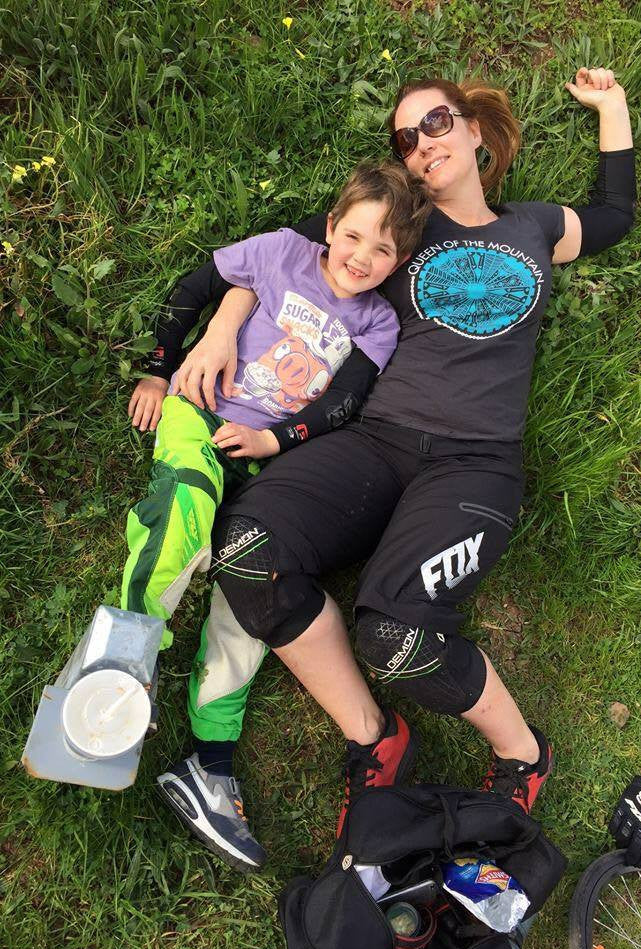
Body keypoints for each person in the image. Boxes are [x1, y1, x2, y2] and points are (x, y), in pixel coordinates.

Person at [160, 66, 636, 871]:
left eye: (437, 123)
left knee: (399, 637)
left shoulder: (533, 225)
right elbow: (280, 259)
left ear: (475, 131)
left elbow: (616, 214)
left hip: (474, 465)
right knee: (245, 548)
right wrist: (218, 330)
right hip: (376, 440)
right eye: (406, 138)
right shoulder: (400, 225)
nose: (423, 144)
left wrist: (612, 107)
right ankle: (375, 737)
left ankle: (524, 753)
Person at [120, 162, 431, 869]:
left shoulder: (378, 321)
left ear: (400, 260)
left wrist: (276, 441)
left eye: (383, 250)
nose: (362, 258)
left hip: (266, 460)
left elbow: (343, 402)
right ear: (330, 226)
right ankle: (126, 655)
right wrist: (157, 368)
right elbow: (195, 287)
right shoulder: (281, 251)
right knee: (182, 506)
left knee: (249, 597)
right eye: (353, 236)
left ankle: (210, 762)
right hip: (200, 414)